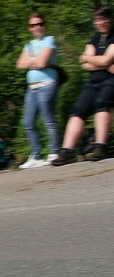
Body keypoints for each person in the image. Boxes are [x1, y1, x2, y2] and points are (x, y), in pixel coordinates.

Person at [52, 5, 114, 166]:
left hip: (111, 79)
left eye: (104, 19)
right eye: (98, 19)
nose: (101, 22)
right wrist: (101, 62)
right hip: (94, 80)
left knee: (102, 103)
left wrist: (92, 59)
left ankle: (100, 146)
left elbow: (103, 60)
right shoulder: (95, 38)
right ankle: (67, 150)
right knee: (78, 109)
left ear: (110, 19)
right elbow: (84, 63)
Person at [16, 13, 60, 168]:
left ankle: (54, 152)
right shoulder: (29, 45)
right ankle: (36, 155)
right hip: (32, 87)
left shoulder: (50, 40)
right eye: (34, 25)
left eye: (40, 24)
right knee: (28, 122)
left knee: (49, 120)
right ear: (30, 28)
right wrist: (35, 61)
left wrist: (31, 61)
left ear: (44, 25)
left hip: (47, 85)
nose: (37, 27)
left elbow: (42, 62)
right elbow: (19, 64)